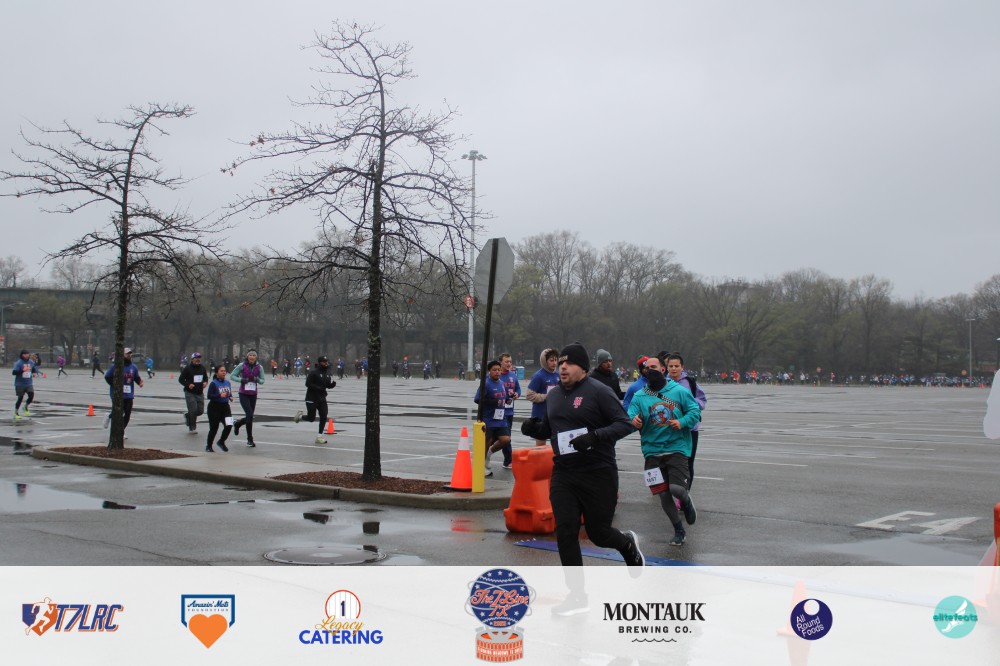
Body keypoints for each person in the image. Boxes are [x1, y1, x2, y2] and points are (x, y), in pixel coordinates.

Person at [520, 342, 645, 569]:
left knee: (598, 533)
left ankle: (627, 544)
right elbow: (549, 430)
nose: (563, 367)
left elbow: (625, 424)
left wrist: (594, 437)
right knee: (566, 531)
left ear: (583, 368)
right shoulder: (553, 395)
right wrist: (534, 429)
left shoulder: (599, 391)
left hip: (598, 472)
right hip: (564, 473)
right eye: (561, 363)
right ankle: (575, 588)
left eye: (569, 363)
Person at [627, 356, 701, 547]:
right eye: (647, 367)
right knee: (663, 494)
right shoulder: (639, 395)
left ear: (663, 369)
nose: (650, 370)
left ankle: (686, 501)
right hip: (651, 451)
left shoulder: (679, 391)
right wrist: (633, 420)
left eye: (654, 366)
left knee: (676, 489)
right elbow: (629, 414)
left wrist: (682, 422)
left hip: (676, 448)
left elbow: (695, 411)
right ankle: (678, 530)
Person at [663, 352, 708, 490]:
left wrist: (688, 403)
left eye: (676, 366)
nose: (674, 369)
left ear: (682, 367)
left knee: (688, 462)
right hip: (668, 429)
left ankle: (684, 492)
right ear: (666, 367)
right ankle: (668, 491)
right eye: (671, 366)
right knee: (667, 462)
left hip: (690, 429)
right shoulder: (662, 383)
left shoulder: (690, 383)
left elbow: (702, 401)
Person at [474, 360, 512, 477]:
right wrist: (494, 402)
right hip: (489, 418)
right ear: (489, 371)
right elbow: (477, 399)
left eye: (499, 370)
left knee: (506, 440)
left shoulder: (501, 383)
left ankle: (488, 454)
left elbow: (502, 397)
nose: (497, 372)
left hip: (501, 418)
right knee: (487, 441)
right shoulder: (486, 384)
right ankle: (482, 465)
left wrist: (507, 400)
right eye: (494, 370)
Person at [294, 355, 337, 444]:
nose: (326, 363)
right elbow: (307, 384)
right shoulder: (314, 372)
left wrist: (332, 385)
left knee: (324, 415)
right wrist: (317, 387)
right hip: (311, 398)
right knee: (311, 418)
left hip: (322, 398)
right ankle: (300, 417)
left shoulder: (327, 372)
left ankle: (319, 436)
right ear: (320, 362)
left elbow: (327, 385)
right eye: (324, 362)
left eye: (327, 361)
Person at [525, 348, 560, 448]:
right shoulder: (538, 376)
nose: (554, 363)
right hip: (540, 415)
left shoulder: (558, 375)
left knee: (557, 443)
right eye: (551, 360)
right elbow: (529, 395)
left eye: (555, 360)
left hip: (554, 414)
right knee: (540, 445)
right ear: (545, 361)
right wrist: (546, 396)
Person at [104, 348, 144, 431]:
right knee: (119, 412)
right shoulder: (116, 366)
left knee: (127, 414)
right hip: (117, 394)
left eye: (130, 353)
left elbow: (136, 377)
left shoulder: (133, 367)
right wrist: (115, 385)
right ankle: (109, 417)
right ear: (122, 355)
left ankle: (121, 431)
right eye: (127, 353)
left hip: (129, 394)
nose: (129, 355)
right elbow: (107, 376)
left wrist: (140, 382)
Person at [231, 349, 265, 448]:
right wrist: (241, 380)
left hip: (253, 394)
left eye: (254, 355)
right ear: (247, 356)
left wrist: (257, 379)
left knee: (250, 416)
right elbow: (232, 376)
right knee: (249, 415)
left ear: (256, 357)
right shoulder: (242, 365)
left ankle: (237, 424)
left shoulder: (259, 367)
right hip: (243, 394)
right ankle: (250, 439)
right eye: (250, 355)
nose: (252, 357)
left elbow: (262, 380)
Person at [498, 353, 521, 469]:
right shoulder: (495, 375)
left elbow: (518, 389)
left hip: (509, 411)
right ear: (500, 362)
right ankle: (508, 460)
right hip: (498, 411)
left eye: (510, 362)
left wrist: (517, 394)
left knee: (507, 436)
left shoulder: (513, 375)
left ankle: (507, 461)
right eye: (506, 362)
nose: (509, 364)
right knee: (500, 437)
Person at [178, 352, 209, 434]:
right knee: (193, 410)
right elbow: (181, 379)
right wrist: (188, 385)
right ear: (192, 359)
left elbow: (205, 378)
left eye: (199, 358)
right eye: (196, 358)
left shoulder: (202, 368)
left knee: (200, 411)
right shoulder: (187, 368)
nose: (198, 359)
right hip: (190, 393)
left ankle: (188, 415)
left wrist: (205, 382)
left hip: (199, 392)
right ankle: (192, 428)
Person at [205, 364, 233, 452]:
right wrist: (219, 395)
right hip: (214, 407)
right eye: (221, 371)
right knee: (214, 428)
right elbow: (209, 396)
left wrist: (230, 397)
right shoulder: (214, 383)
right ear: (217, 373)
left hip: (225, 407)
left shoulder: (228, 383)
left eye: (224, 371)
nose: (224, 372)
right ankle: (209, 446)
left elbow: (229, 393)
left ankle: (221, 441)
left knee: (229, 424)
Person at [13, 349, 38, 419]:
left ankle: (25, 407)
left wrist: (33, 373)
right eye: (25, 354)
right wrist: (22, 371)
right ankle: (16, 412)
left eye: (27, 354)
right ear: (22, 355)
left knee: (31, 396)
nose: (26, 355)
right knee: (20, 398)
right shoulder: (19, 363)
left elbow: (33, 368)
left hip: (29, 383)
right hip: (20, 384)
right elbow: (14, 372)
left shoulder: (30, 362)